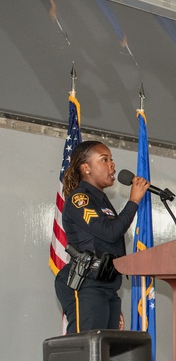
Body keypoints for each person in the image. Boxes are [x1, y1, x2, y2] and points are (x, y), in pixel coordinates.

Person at [54, 141, 150, 334]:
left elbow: (111, 241)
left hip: (107, 286)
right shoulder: (79, 199)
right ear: (86, 168)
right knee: (87, 351)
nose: (112, 165)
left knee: (106, 354)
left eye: (111, 160)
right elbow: (110, 232)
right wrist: (133, 201)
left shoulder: (102, 201)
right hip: (87, 284)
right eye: (104, 160)